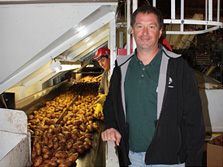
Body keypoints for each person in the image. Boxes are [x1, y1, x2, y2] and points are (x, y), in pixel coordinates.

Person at [101, 5, 205, 167]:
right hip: (133, 158)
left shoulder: (178, 67)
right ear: (132, 30)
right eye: (140, 26)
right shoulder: (122, 67)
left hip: (170, 161)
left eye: (151, 27)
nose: (145, 33)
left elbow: (194, 121)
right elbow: (110, 104)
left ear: (160, 32)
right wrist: (111, 126)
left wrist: (193, 162)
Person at [93, 47, 111, 117]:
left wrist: (108, 97)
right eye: (99, 62)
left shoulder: (118, 72)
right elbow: (101, 89)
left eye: (102, 60)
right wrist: (99, 104)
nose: (101, 64)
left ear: (109, 57)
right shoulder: (105, 73)